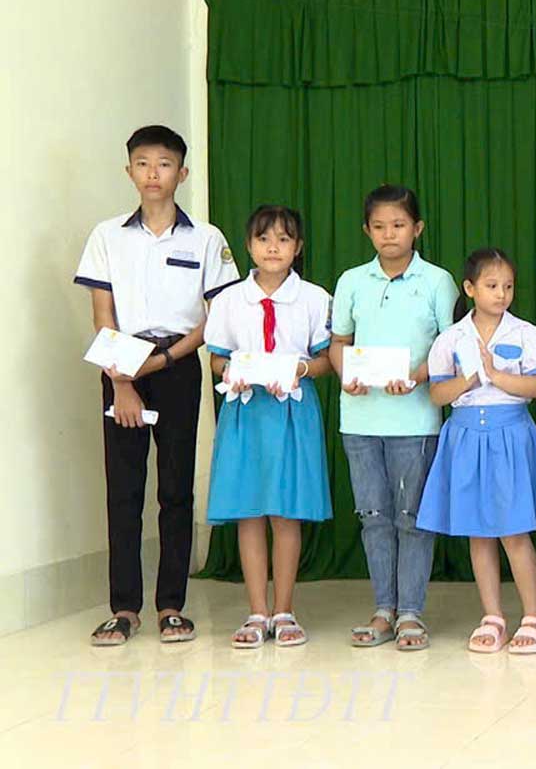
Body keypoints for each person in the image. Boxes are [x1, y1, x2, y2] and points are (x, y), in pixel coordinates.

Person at [77, 125, 239, 646]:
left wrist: (165, 358)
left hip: (176, 366)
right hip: (121, 367)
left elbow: (215, 320)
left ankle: (172, 605)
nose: (153, 173)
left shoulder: (207, 238)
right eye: (142, 163)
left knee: (175, 487)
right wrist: (122, 381)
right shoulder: (106, 236)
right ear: (129, 172)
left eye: (164, 164)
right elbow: (103, 317)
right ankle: (124, 609)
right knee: (123, 490)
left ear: (182, 173)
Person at [329, 185, 457, 651]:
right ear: (367, 230)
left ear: (417, 228)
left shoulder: (437, 281)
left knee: (412, 519)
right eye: (379, 226)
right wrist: (347, 376)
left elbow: (450, 346)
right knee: (373, 516)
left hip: (416, 420)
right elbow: (339, 342)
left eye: (399, 225)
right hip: (360, 419)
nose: (389, 235)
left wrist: (419, 375)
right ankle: (383, 609)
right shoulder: (351, 281)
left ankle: (411, 614)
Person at [418, 248, 536, 654]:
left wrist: (495, 375)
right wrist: (468, 380)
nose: (501, 294)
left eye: (508, 286)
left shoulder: (527, 335)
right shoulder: (450, 338)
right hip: (464, 436)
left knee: (514, 531)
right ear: (470, 288)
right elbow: (437, 394)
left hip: (509, 433)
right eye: (492, 286)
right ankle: (492, 616)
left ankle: (534, 618)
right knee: (478, 533)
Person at [204, 205, 332, 648]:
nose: (273, 247)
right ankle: (256, 610)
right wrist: (228, 370)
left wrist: (300, 369)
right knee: (249, 508)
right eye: (263, 239)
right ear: (248, 246)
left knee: (285, 509)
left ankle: (285, 609)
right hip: (246, 411)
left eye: (283, 239)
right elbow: (218, 356)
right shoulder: (228, 300)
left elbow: (323, 361)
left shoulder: (316, 298)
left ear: (298, 248)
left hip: (292, 411)